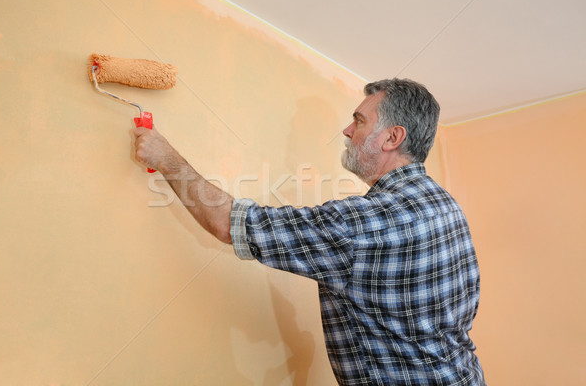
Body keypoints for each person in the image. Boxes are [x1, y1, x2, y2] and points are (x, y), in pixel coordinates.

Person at [133, 78, 485, 385]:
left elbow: (228, 222)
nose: (347, 131)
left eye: (358, 121)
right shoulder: (444, 205)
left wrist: (166, 158)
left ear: (392, 137)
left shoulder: (362, 223)